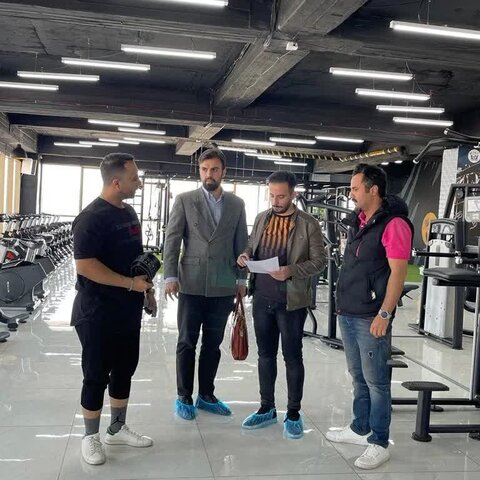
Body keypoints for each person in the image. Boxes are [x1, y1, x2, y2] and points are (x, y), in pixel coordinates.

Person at [71, 153, 157, 465]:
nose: (139, 183)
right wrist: (130, 284)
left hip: (128, 309)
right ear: (116, 182)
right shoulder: (91, 218)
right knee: (96, 374)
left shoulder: (129, 212)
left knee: (124, 369)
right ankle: (90, 437)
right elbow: (85, 266)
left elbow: (136, 260)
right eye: (135, 178)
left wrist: (147, 290)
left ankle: (117, 428)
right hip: (97, 311)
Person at [326, 163, 413, 469]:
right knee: (358, 376)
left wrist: (384, 314)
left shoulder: (394, 225)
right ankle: (360, 428)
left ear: (372, 190)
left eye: (354, 188)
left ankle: (379, 441)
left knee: (377, 383)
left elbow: (398, 274)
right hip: (349, 311)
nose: (351, 194)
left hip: (371, 316)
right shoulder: (360, 221)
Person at [237, 171, 326, 439]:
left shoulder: (308, 224)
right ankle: (267, 407)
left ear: (293, 194)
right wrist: (245, 255)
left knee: (292, 356)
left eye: (281, 196)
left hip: (291, 301)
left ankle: (294, 412)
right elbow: (251, 245)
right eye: (272, 196)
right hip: (261, 297)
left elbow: (319, 262)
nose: (275, 201)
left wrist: (290, 271)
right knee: (265, 355)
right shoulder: (261, 218)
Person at [163, 147, 248, 420]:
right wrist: (170, 276)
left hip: (223, 283)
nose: (208, 174)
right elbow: (172, 239)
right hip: (191, 282)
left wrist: (242, 278)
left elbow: (241, 243)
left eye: (214, 169)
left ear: (224, 172)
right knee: (187, 341)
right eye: (204, 169)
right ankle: (184, 396)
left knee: (213, 343)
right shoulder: (185, 200)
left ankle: (207, 395)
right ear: (199, 171)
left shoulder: (237, 204)